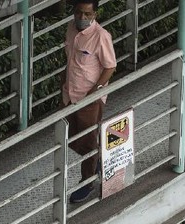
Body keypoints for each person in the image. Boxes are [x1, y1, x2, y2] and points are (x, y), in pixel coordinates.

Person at [62, 0, 117, 203]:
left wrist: (95, 91)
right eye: (79, 13)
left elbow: (110, 66)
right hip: (69, 93)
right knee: (70, 137)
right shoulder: (70, 29)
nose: (82, 18)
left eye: (87, 14)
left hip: (89, 98)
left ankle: (88, 181)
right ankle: (99, 160)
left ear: (95, 14)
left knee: (88, 141)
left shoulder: (101, 36)